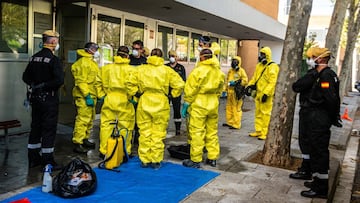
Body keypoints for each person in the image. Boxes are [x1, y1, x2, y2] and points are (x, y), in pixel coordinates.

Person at [292, 47, 341, 199]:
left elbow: (331, 100)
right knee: (314, 149)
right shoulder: (320, 74)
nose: (309, 59)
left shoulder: (326, 76)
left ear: (319, 59)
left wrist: (333, 118)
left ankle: (320, 188)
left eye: (312, 57)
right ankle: (316, 181)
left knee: (319, 152)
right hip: (315, 117)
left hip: (319, 118)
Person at [127, 48, 185, 169]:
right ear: (162, 57)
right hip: (161, 102)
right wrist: (172, 95)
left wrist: (136, 93)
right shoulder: (167, 70)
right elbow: (180, 84)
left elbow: (129, 83)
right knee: (158, 133)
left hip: (145, 100)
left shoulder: (141, 69)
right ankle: (156, 160)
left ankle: (144, 159)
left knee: (144, 131)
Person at [22, 30, 64, 170]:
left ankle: (33, 158)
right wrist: (45, 85)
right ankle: (47, 161)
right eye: (56, 40)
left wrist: (35, 85)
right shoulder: (53, 60)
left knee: (36, 127)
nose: (57, 43)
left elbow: (25, 77)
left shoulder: (34, 57)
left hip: (35, 98)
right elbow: (59, 80)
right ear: (53, 42)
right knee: (48, 129)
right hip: (49, 99)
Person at [182, 49, 225, 168]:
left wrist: (186, 103)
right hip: (213, 103)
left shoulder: (198, 71)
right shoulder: (219, 72)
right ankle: (212, 158)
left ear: (201, 57)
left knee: (197, 132)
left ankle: (196, 159)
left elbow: (191, 89)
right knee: (212, 132)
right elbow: (221, 89)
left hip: (199, 104)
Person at [96, 46, 135, 159]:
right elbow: (134, 86)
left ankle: (104, 150)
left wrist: (102, 96)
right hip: (125, 100)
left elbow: (98, 82)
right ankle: (124, 151)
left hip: (110, 99)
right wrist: (133, 98)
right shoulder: (131, 70)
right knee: (125, 126)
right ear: (127, 56)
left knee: (106, 125)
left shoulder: (106, 68)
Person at [71, 42, 100, 153]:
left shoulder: (91, 62)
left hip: (91, 95)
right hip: (84, 96)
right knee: (82, 120)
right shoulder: (83, 63)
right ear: (87, 49)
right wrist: (87, 95)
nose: (95, 50)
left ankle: (85, 139)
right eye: (93, 48)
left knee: (90, 119)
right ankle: (77, 142)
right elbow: (81, 81)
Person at [247, 46, 279, 140]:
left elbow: (272, 81)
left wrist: (266, 93)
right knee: (258, 113)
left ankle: (265, 133)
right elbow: (255, 78)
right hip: (258, 93)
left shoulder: (272, 66)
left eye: (263, 54)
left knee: (266, 114)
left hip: (266, 95)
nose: (260, 56)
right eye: (260, 54)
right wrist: (249, 86)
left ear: (267, 55)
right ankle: (258, 131)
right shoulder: (259, 66)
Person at [129, 40, 147, 147]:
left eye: (137, 49)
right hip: (130, 93)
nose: (135, 51)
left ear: (141, 50)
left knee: (140, 116)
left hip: (140, 93)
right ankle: (130, 136)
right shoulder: (128, 59)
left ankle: (137, 135)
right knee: (129, 116)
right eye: (133, 48)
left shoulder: (144, 61)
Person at [222, 56, 248, 129]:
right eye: (233, 61)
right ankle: (230, 122)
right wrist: (224, 90)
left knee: (236, 108)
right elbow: (226, 81)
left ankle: (236, 124)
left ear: (239, 63)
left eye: (235, 61)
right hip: (230, 93)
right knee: (229, 107)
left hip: (237, 93)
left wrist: (237, 83)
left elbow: (245, 81)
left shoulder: (241, 71)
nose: (233, 63)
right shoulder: (230, 71)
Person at [165, 50, 186, 136]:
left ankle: (178, 129)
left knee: (177, 111)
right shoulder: (165, 67)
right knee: (164, 111)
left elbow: (183, 80)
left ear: (177, 57)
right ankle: (163, 127)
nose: (172, 58)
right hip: (166, 92)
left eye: (173, 56)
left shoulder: (181, 68)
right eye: (170, 56)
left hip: (176, 93)